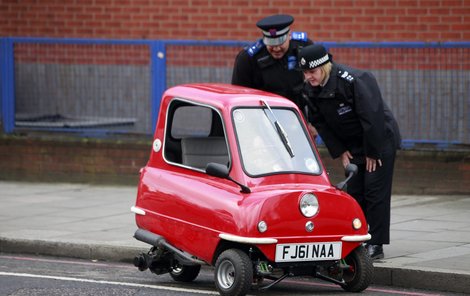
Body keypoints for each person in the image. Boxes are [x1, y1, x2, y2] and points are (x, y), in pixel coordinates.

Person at [297, 44, 401, 260]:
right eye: (305, 73)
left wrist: (373, 151)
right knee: (354, 191)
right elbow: (320, 122)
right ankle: (358, 238)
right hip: (352, 144)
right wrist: (341, 150)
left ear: (324, 67)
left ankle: (376, 244)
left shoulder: (354, 80)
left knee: (374, 191)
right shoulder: (310, 89)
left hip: (378, 140)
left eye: (312, 72)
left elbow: (372, 117)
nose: (308, 77)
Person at [231, 14, 313, 117]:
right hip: (263, 118)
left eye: (280, 43)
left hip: (297, 116)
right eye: (271, 43)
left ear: (289, 35)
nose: (276, 49)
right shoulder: (247, 59)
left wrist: (314, 124)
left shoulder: (304, 48)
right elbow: (239, 97)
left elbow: (318, 86)